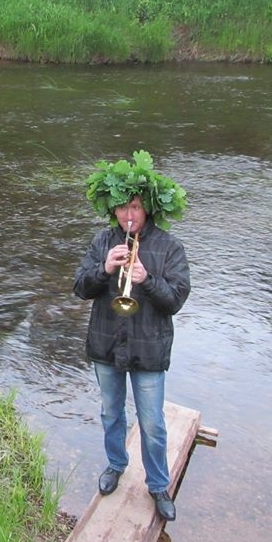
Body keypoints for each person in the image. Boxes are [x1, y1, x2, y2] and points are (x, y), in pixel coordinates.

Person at [73, 150, 190, 521]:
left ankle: (158, 485)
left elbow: (175, 300)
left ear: (148, 209)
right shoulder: (103, 242)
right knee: (111, 413)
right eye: (122, 207)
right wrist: (104, 269)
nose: (128, 215)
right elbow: (80, 287)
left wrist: (147, 280)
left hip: (149, 350)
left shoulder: (169, 248)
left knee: (152, 422)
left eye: (135, 207)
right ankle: (115, 465)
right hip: (106, 344)